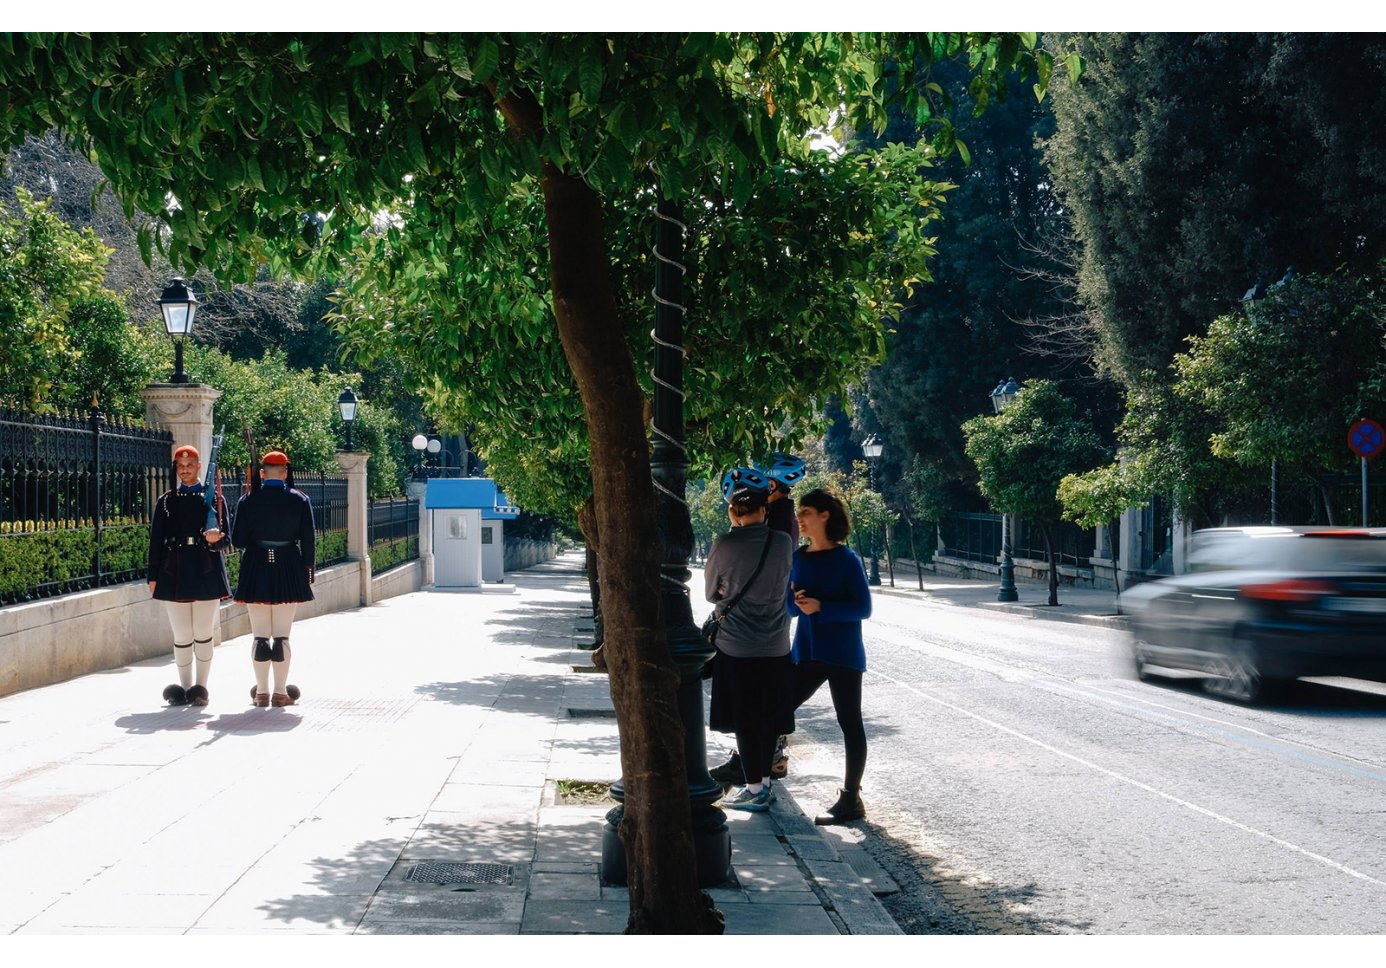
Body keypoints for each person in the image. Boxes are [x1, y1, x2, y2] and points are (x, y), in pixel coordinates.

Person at [710, 451, 805, 784]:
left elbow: (714, 591)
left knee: (748, 711)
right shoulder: (783, 526)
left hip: (742, 638)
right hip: (775, 635)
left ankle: (758, 775)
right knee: (764, 705)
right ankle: (760, 770)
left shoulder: (772, 528)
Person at [787, 487, 873, 825]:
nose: (800, 518)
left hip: (842, 652)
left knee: (849, 723)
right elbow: (789, 606)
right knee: (777, 708)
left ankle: (851, 799)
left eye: (806, 511)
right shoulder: (797, 557)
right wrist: (798, 602)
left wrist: (823, 607)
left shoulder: (847, 559)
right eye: (799, 512)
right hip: (807, 650)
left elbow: (863, 608)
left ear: (825, 515)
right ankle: (763, 775)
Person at [147, 444, 232, 707]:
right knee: (182, 634)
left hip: (205, 567)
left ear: (198, 467)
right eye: (180, 466)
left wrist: (215, 538)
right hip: (175, 570)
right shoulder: (166, 501)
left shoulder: (214, 498)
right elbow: (156, 541)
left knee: (203, 631)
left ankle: (200, 688)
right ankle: (183, 688)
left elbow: (226, 538)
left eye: (190, 465)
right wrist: (153, 576)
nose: (184, 470)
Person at [231, 449, 315, 707]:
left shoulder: (248, 499)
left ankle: (261, 693)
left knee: (259, 636)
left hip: (256, 564)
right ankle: (280, 692)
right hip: (288, 564)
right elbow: (308, 540)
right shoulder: (300, 499)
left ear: (262, 473)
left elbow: (237, 540)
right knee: (281, 636)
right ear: (286, 472)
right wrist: (307, 570)